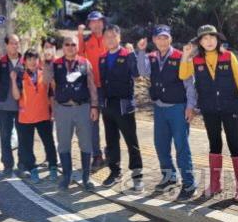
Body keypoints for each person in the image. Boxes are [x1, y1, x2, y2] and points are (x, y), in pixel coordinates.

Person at [180, 25, 238, 203]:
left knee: (235, 145)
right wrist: (185, 56)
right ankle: (215, 184)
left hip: (230, 107)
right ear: (199, 42)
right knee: (215, 145)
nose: (209, 41)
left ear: (217, 39)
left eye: (211, 37)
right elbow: (183, 75)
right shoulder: (195, 60)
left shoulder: (228, 56)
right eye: (204, 39)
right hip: (209, 108)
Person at [147, 25, 197, 200]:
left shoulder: (181, 56)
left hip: (178, 108)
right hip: (159, 108)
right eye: (159, 37)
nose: (162, 41)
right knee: (160, 145)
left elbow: (190, 85)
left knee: (181, 146)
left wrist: (191, 107)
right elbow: (140, 71)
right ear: (154, 40)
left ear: (170, 39)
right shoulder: (151, 58)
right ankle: (169, 177)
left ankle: (189, 183)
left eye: (165, 37)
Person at [45, 35, 99, 191]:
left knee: (86, 143)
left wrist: (94, 106)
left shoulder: (84, 63)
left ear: (77, 47)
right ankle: (66, 177)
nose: (70, 47)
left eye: (73, 44)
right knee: (63, 144)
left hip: (83, 108)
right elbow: (46, 80)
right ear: (63, 47)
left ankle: (86, 178)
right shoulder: (56, 64)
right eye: (67, 44)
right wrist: (47, 62)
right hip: (62, 109)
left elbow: (92, 87)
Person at [99, 25, 148, 193]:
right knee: (111, 142)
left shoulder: (127, 55)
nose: (110, 39)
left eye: (114, 36)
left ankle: (137, 176)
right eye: (107, 36)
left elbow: (136, 74)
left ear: (119, 38)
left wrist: (134, 53)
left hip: (124, 105)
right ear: (103, 39)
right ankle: (115, 171)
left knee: (131, 142)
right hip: (107, 106)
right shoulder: (103, 58)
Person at [10, 49, 58, 184]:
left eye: (35, 59)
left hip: (43, 114)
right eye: (29, 59)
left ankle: (53, 166)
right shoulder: (20, 76)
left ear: (38, 61)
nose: (32, 62)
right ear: (25, 61)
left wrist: (53, 111)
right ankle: (32, 169)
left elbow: (51, 93)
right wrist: (13, 81)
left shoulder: (44, 74)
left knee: (49, 143)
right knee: (27, 145)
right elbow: (16, 96)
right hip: (26, 117)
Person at [0, 34, 24, 177]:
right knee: (5, 136)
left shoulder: (25, 61)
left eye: (17, 43)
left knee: (23, 137)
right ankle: (8, 165)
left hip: (22, 105)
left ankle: (23, 165)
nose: (14, 46)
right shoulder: (1, 61)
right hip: (4, 105)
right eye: (12, 43)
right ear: (6, 45)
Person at [78, 11, 107, 170]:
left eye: (99, 21)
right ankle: (97, 156)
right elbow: (79, 58)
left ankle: (111, 152)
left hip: (109, 88)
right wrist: (80, 35)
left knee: (111, 122)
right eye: (93, 22)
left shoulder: (109, 37)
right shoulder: (87, 40)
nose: (96, 24)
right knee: (92, 123)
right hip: (92, 89)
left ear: (103, 22)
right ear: (89, 24)